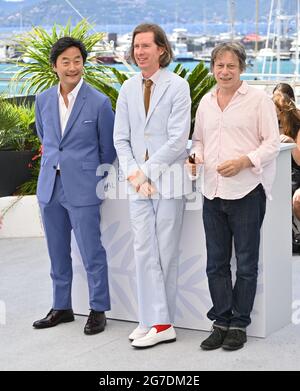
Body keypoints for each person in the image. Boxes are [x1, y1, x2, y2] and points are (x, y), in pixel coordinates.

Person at [188, 42, 280, 351]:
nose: (225, 71)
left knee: (246, 263)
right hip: (211, 192)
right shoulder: (206, 101)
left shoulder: (258, 100)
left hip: (246, 192)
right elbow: (198, 140)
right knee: (215, 263)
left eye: (231, 66)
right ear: (213, 67)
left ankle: (239, 324)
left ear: (242, 67)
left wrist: (244, 161)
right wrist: (196, 156)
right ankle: (220, 322)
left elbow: (271, 143)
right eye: (220, 65)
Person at [113, 23, 191, 348]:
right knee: (143, 251)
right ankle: (148, 319)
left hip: (167, 183)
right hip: (138, 184)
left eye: (146, 45)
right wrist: (134, 175)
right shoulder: (128, 88)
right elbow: (121, 138)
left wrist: (144, 173)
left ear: (161, 49)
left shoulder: (178, 87)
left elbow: (177, 140)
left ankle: (162, 323)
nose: (140, 51)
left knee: (164, 253)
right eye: (136, 46)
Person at [32, 37, 115, 335]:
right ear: (54, 66)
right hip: (49, 188)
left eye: (77, 60)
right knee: (56, 252)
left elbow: (108, 150)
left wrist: (93, 180)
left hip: (83, 188)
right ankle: (61, 307)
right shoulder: (42, 100)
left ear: (83, 63)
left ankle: (98, 309)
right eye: (65, 61)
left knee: (92, 252)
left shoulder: (99, 102)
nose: (72, 67)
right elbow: (47, 139)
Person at [272, 90, 300, 251]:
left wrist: (290, 143)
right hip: (280, 172)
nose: (277, 120)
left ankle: (289, 237)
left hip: (295, 174)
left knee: (288, 193)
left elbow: (299, 161)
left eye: (278, 115)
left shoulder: (297, 127)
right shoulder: (270, 126)